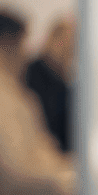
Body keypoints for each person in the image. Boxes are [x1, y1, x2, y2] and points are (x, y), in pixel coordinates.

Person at [0, 8, 75, 195]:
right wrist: (66, 178)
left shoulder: (8, 86)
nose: (27, 53)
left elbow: (39, 150)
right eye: (23, 44)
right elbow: (16, 169)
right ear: (7, 44)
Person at [24, 13, 75, 152]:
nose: (69, 51)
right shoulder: (32, 73)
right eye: (67, 44)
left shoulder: (62, 81)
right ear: (54, 39)